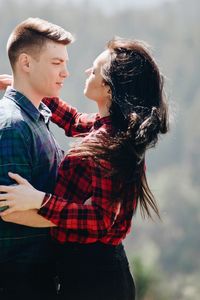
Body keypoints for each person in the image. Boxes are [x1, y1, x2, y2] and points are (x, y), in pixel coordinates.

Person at [0, 38, 169, 300]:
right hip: (90, 272)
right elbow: (74, 120)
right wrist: (26, 87)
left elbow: (100, 219)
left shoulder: (109, 143)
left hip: (95, 280)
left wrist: (40, 201)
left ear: (110, 88)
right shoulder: (109, 128)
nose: (86, 72)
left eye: (95, 69)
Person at [0, 17, 82, 300]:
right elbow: (10, 210)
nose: (66, 73)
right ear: (26, 63)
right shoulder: (14, 126)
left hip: (42, 277)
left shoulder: (37, 117)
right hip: (19, 283)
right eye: (56, 63)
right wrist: (82, 215)